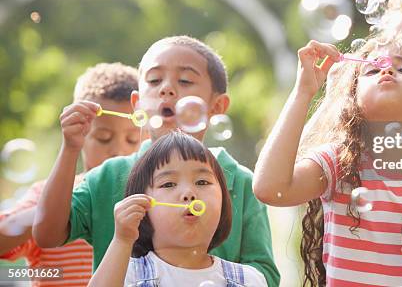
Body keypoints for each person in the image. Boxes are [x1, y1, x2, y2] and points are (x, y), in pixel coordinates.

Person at [32, 36, 280, 287]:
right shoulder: (109, 176)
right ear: (137, 104)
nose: (167, 89)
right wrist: (70, 149)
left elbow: (265, 274)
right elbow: (47, 234)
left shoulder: (241, 181)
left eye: (184, 80)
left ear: (217, 106)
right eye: (154, 80)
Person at [254, 33, 402, 286]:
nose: (387, 70)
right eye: (371, 70)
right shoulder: (340, 164)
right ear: (353, 105)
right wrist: (303, 92)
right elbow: (270, 190)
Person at [0, 62, 140, 287]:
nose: (118, 150)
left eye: (132, 139)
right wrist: (60, 207)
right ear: (81, 133)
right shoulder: (51, 193)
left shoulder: (150, 199)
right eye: (103, 137)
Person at [88, 131, 267, 286]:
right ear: (144, 207)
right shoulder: (125, 275)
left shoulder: (249, 281)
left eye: (202, 182)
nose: (188, 193)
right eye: (168, 184)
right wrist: (122, 240)